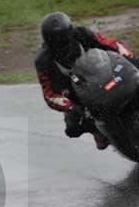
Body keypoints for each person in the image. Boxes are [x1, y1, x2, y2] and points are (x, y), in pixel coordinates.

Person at [35, 12, 139, 150]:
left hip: (101, 72)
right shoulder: (43, 60)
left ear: (70, 32)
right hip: (75, 93)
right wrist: (70, 107)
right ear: (49, 41)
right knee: (72, 128)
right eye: (57, 41)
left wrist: (131, 59)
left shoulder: (81, 33)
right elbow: (49, 94)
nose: (62, 43)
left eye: (64, 38)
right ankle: (98, 132)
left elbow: (111, 44)